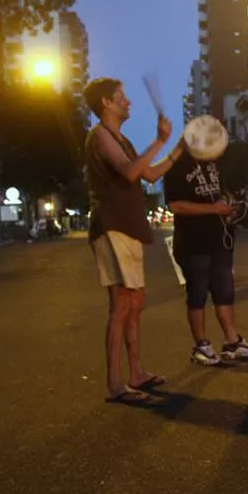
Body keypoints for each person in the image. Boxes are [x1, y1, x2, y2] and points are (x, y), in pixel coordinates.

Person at [83, 77, 182, 405]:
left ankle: (136, 372)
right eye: (121, 97)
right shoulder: (100, 135)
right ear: (106, 104)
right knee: (122, 304)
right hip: (111, 225)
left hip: (128, 226)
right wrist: (157, 141)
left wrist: (177, 148)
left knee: (135, 303)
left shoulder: (121, 139)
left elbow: (149, 175)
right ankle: (115, 383)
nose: (128, 102)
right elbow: (129, 172)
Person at [164, 150, 248, 366]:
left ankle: (232, 341)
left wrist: (230, 206)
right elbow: (175, 205)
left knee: (224, 292)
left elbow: (223, 192)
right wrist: (213, 208)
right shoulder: (176, 165)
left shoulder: (214, 163)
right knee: (197, 294)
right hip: (192, 242)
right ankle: (201, 345)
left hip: (220, 239)